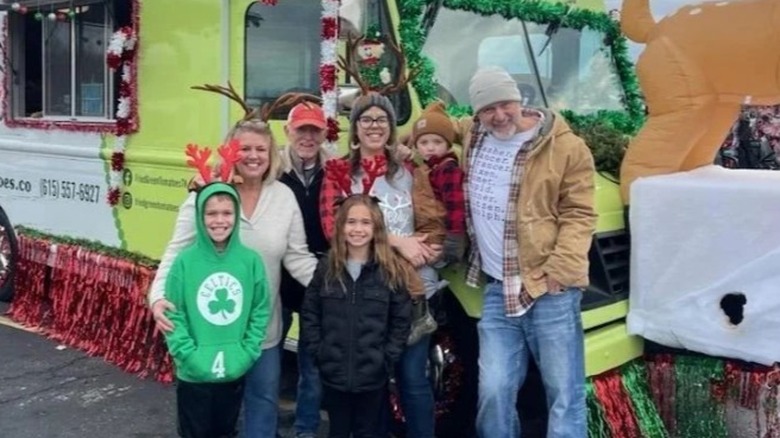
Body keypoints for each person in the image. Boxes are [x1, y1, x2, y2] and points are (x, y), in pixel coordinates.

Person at [148, 119, 318, 438]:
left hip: (261, 324)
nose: (253, 156)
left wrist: (339, 288)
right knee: (213, 413)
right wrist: (158, 298)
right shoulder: (208, 196)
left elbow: (297, 256)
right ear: (230, 151)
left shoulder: (283, 196)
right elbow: (175, 253)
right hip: (211, 331)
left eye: (261, 149)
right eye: (245, 148)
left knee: (264, 399)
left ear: (272, 154)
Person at [461, 66, 596, 438]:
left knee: (564, 394)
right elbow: (434, 124)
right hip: (496, 290)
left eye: (505, 104)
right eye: (488, 109)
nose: (499, 115)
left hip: (547, 288)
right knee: (493, 389)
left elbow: (580, 213)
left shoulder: (565, 147)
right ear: (477, 114)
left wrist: (561, 270)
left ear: (519, 99)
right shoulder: (474, 135)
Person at [319, 92, 443, 438]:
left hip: (412, 290)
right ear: (355, 128)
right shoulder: (340, 173)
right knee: (373, 380)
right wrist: (398, 242)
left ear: (391, 127)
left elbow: (432, 223)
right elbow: (334, 229)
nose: (374, 126)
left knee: (412, 378)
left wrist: (426, 248)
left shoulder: (410, 171)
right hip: (365, 292)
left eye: (382, 119)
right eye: (366, 119)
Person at [163, 180, 271, 438]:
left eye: (227, 213)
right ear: (200, 217)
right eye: (211, 213)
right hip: (194, 375)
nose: (219, 220)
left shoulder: (250, 261)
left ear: (236, 216)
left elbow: (260, 310)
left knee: (226, 431)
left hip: (233, 370)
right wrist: (189, 355)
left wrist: (246, 353)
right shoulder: (185, 262)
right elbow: (173, 313)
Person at [301, 194, 412, 438]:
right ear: (341, 226)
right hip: (334, 373)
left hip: (373, 375)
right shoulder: (327, 267)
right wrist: (319, 351)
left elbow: (401, 318)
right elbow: (310, 311)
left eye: (365, 222)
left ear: (376, 228)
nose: (358, 229)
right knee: (337, 430)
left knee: (368, 431)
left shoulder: (390, 270)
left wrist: (387, 357)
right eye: (351, 222)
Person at [278, 101, 331, 438]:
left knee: (312, 364)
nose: (308, 137)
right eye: (302, 130)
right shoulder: (272, 168)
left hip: (318, 276)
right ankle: (261, 425)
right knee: (265, 361)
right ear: (288, 131)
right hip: (278, 278)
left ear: (324, 134)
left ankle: (305, 429)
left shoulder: (336, 169)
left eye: (314, 130)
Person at [410, 101, 467, 266]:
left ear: (448, 145)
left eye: (437, 142)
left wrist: (455, 239)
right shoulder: (426, 167)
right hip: (424, 231)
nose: (430, 148)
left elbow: (455, 205)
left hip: (438, 235)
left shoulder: (447, 169)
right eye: (424, 142)